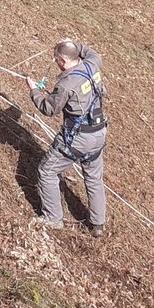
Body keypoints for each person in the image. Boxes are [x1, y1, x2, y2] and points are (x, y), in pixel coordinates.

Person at [25, 39, 109, 237]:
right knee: (94, 177)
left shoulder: (66, 84)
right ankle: (98, 223)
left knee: (46, 171)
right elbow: (90, 52)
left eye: (56, 60)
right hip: (99, 132)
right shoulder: (92, 63)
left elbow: (49, 109)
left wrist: (34, 91)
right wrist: (72, 43)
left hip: (77, 138)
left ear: (62, 61)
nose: (55, 63)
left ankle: (53, 218)